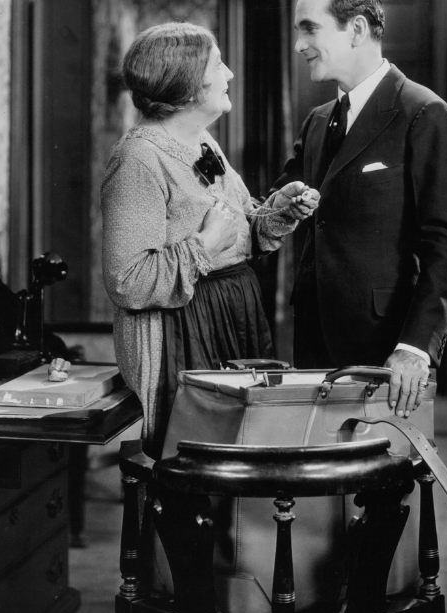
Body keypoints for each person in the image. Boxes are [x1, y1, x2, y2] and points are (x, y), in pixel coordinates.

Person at [102, 22, 318, 457]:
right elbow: (127, 280)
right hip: (181, 331)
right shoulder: (139, 159)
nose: (230, 74)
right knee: (196, 468)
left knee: (241, 462)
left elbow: (236, 229)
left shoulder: (201, 141)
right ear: (186, 88)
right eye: (219, 64)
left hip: (230, 316)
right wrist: (203, 246)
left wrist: (277, 211)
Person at [277, 0, 447, 417]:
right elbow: (275, 203)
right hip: (312, 344)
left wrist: (415, 348)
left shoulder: (425, 114)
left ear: (358, 30)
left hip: (386, 350)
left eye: (310, 28)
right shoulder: (317, 121)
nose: (299, 44)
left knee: (379, 479)